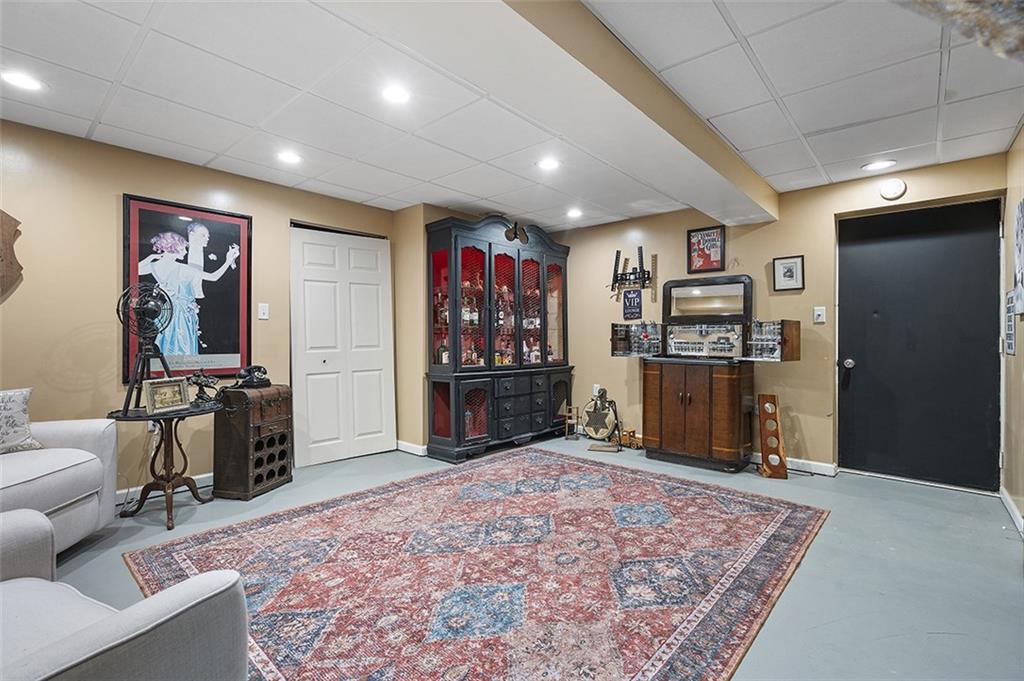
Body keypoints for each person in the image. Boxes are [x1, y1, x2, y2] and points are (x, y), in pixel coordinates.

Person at [138, 231, 239, 357]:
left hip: (167, 312)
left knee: (169, 344)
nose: (185, 252)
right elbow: (213, 277)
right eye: (183, 249)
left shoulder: (154, 266)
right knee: (183, 348)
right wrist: (228, 261)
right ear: (172, 248)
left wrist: (150, 258)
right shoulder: (184, 269)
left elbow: (137, 269)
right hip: (182, 314)